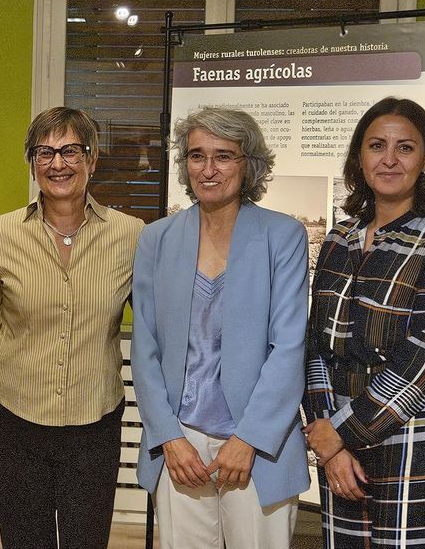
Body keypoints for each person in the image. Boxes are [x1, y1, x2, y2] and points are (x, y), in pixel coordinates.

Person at [0, 107, 143, 548]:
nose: (58, 164)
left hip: (94, 424)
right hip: (15, 420)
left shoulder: (130, 235)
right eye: (45, 153)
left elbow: (155, 328)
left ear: (92, 160)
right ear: (32, 164)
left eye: (70, 151)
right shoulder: (2, 233)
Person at [131, 106, 309, 548]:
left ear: (248, 164)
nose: (208, 169)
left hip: (256, 443)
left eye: (224, 156)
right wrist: (169, 437)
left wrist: (248, 439)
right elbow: (145, 346)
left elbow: (289, 347)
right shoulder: (156, 239)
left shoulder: (283, 236)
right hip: (181, 444)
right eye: (196, 156)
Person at [304, 97, 425, 548]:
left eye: (405, 148)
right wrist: (329, 436)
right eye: (377, 145)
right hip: (341, 427)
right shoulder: (339, 238)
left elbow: (424, 360)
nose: (389, 159)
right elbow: (316, 345)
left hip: (422, 432)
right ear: (359, 159)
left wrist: (338, 432)